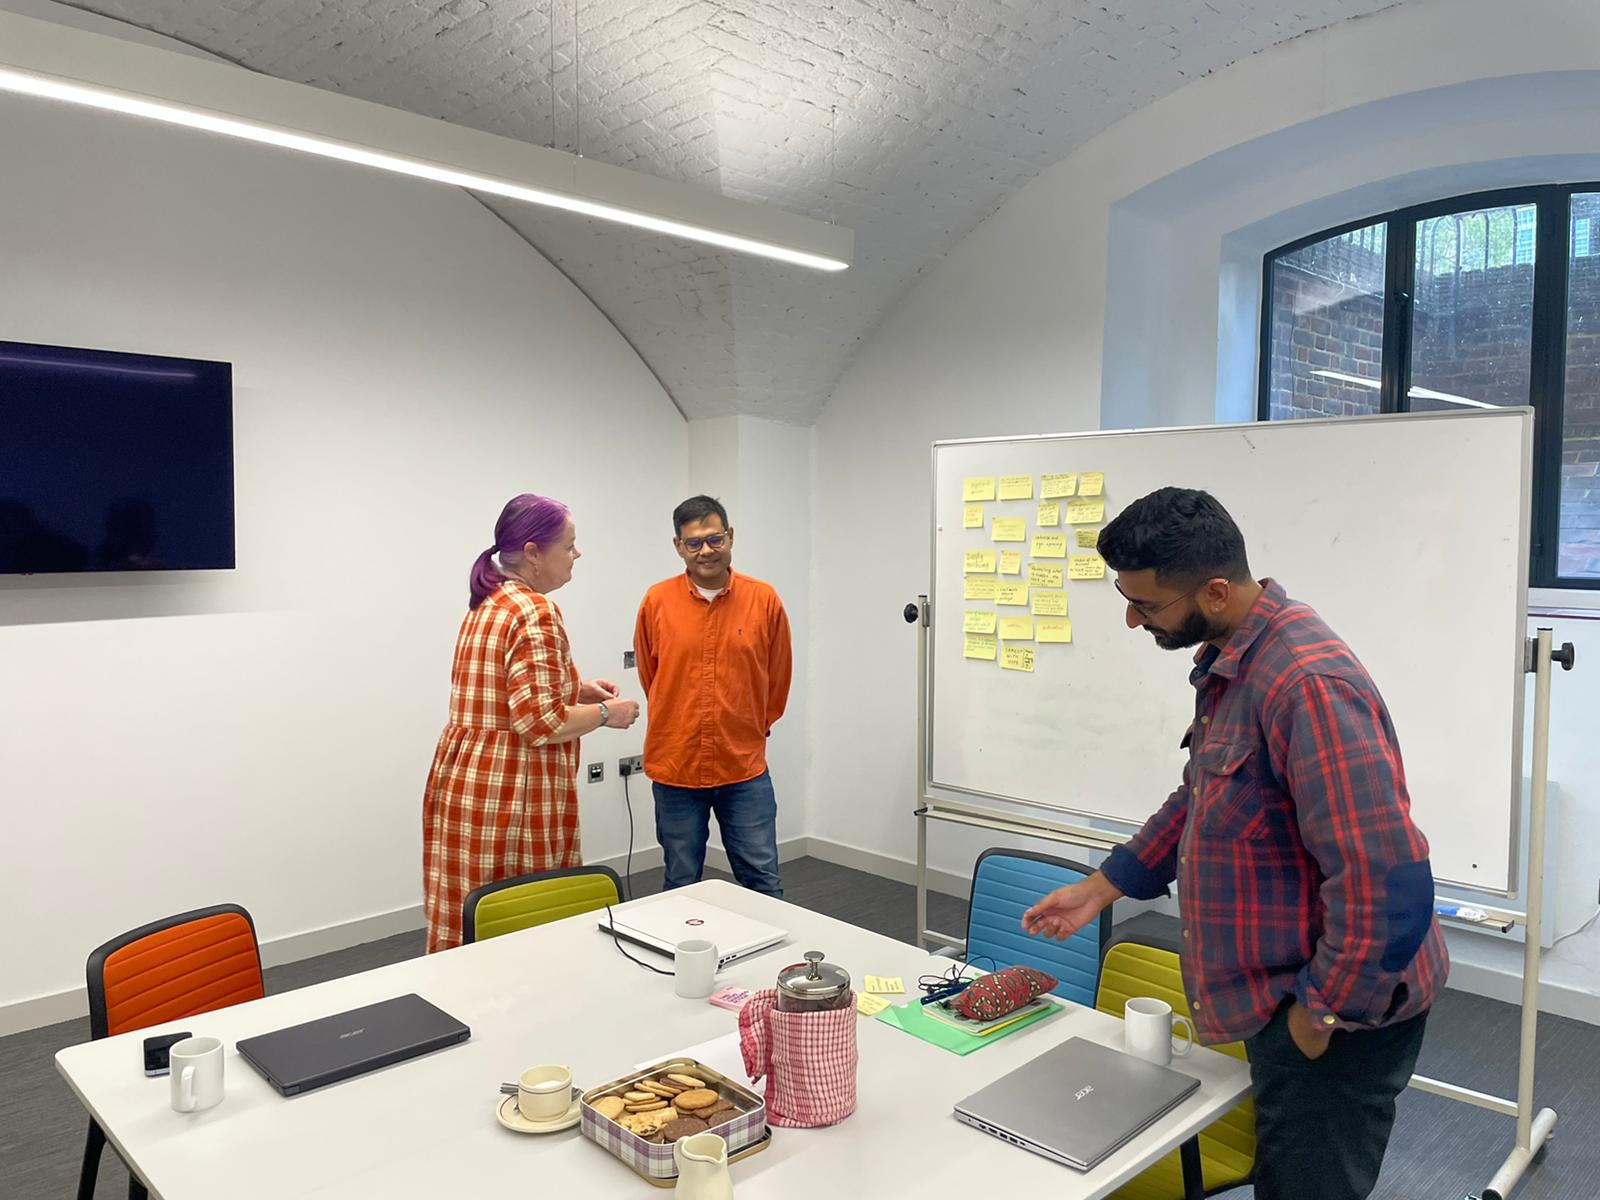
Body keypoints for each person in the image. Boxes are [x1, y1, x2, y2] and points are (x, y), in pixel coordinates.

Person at [1021, 487, 1447, 1200]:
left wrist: (1319, 1016)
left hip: (1338, 1014)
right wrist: (1102, 888)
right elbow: (1204, 797)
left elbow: (1386, 879)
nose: (1132, 619)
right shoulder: (1234, 659)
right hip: (1289, 995)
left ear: (1215, 592)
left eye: (1147, 606)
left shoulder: (1305, 683)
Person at [421, 493, 639, 952]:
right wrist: (606, 714)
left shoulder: (489, 602)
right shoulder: (536, 610)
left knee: (473, 913)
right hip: (515, 789)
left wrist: (577, 688)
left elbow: (503, 692)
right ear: (535, 553)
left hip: (467, 780)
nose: (577, 555)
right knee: (526, 919)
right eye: (570, 546)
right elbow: (540, 722)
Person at [633, 495, 792, 897]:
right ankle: (686, 958)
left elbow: (778, 677)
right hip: (676, 765)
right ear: (678, 546)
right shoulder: (657, 601)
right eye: (694, 542)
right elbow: (652, 677)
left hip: (743, 767)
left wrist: (752, 727)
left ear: (730, 537)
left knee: (762, 879)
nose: (706, 550)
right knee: (681, 881)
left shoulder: (763, 599)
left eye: (715, 538)